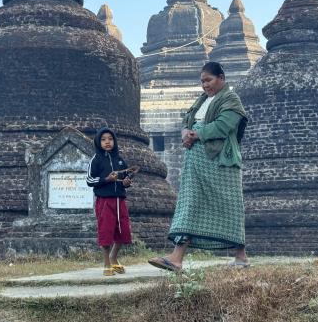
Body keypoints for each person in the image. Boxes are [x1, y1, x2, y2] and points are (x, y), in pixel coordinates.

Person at [148, 62, 249, 272]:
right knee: (190, 202)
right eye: (202, 81)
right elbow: (188, 120)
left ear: (221, 78)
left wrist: (198, 134)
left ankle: (241, 256)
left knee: (230, 206)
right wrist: (186, 132)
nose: (205, 85)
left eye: (208, 80)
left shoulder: (231, 99)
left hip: (221, 162)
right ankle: (176, 257)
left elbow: (224, 125)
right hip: (197, 161)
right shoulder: (202, 100)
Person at [86, 127, 139, 276]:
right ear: (98, 142)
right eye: (103, 139)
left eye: (110, 139)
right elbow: (89, 180)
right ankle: (106, 264)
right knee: (106, 231)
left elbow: (125, 179)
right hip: (105, 201)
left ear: (114, 141)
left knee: (123, 231)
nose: (107, 142)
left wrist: (126, 182)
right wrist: (106, 179)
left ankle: (114, 258)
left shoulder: (120, 160)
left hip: (119, 201)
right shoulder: (96, 160)